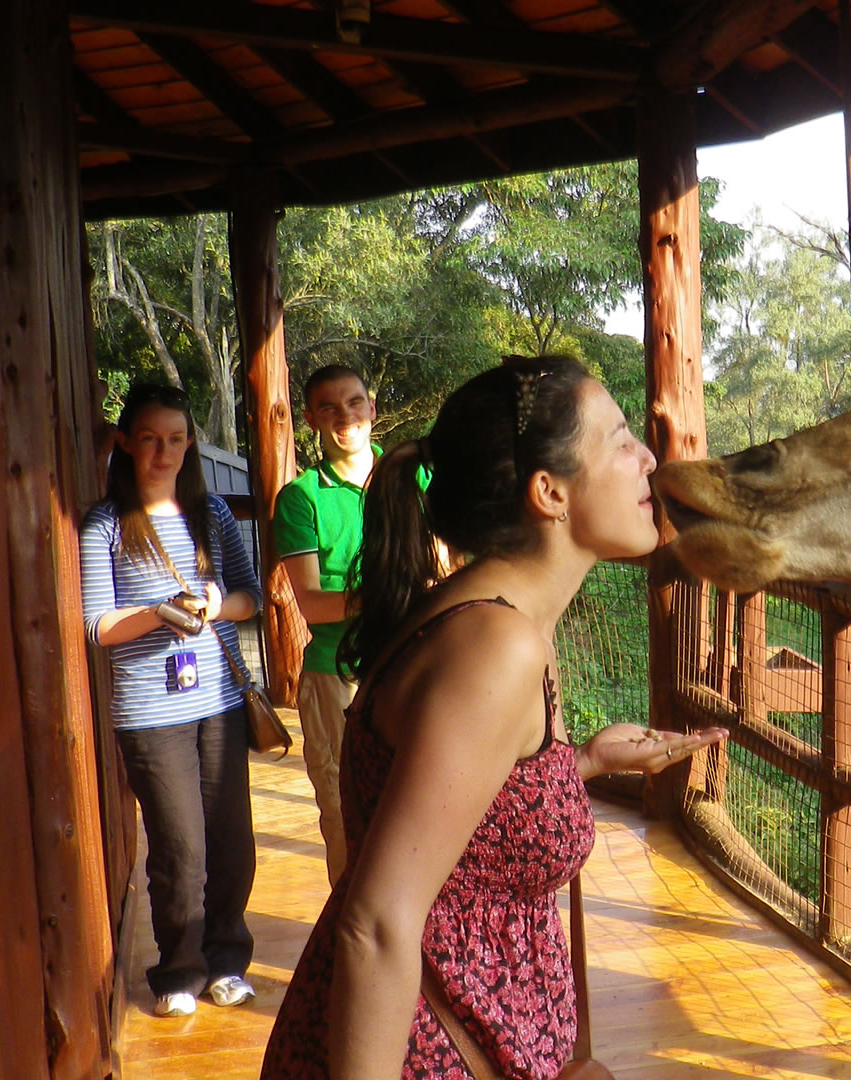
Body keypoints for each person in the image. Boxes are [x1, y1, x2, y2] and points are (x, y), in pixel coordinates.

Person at [259, 355, 727, 1080]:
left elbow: (455, 811)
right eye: (621, 438)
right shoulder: (495, 645)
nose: (648, 459)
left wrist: (589, 763)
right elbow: (377, 923)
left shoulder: (498, 620)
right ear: (549, 492)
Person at [79, 382, 265, 1019]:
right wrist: (157, 614)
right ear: (126, 443)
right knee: (180, 845)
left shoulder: (209, 514)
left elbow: (252, 598)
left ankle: (227, 960)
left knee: (231, 840)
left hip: (217, 700)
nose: (164, 451)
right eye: (151, 439)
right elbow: (96, 625)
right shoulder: (105, 522)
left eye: (177, 439)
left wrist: (215, 605)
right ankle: (178, 970)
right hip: (149, 713)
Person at [272, 363, 380, 885]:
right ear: (312, 418)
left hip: (412, 665)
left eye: (355, 402)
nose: (346, 416)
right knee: (346, 817)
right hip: (337, 674)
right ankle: (345, 949)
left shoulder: (413, 479)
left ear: (372, 409)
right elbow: (313, 604)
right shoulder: (301, 498)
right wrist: (390, 591)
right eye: (330, 408)